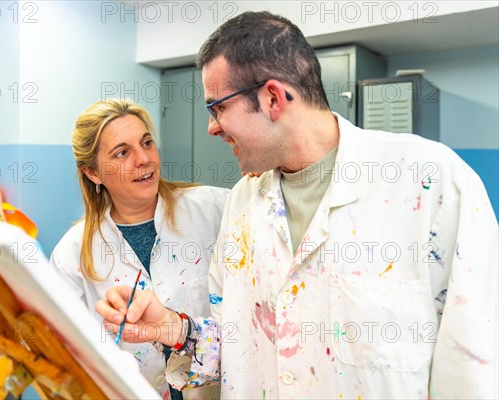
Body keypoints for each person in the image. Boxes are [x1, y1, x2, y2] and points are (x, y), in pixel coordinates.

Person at [97, 11, 498, 400]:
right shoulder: (242, 201)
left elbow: (473, 363)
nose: (212, 127)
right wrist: (171, 327)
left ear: (273, 98)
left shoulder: (429, 182)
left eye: (218, 108)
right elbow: (236, 348)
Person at [50, 99, 226, 400]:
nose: (144, 159)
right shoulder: (73, 253)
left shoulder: (215, 209)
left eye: (147, 143)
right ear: (93, 173)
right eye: (122, 152)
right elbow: (65, 352)